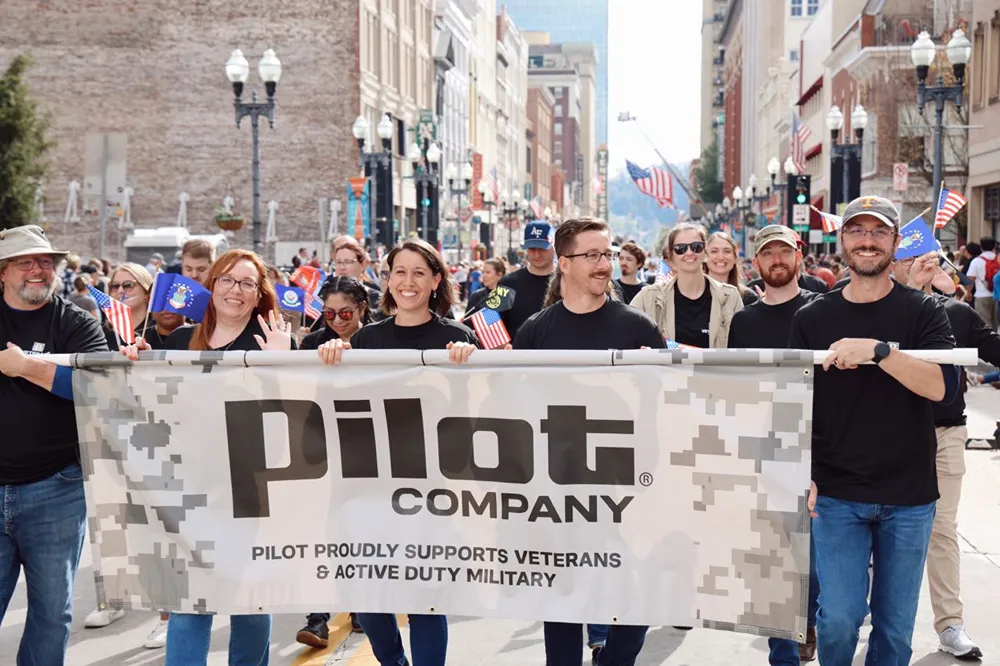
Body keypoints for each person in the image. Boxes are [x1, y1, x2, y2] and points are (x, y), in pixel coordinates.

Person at [789, 196, 960, 666]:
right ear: (841, 239)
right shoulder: (811, 318)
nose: (867, 241)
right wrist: (801, 470)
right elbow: (793, 404)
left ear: (896, 241)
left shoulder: (924, 311)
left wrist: (881, 352)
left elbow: (941, 388)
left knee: (894, 632)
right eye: (857, 231)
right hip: (837, 492)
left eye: (878, 232)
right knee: (839, 620)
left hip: (909, 494)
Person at [122, 249, 293, 665]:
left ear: (258, 296)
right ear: (212, 286)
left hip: (250, 492)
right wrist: (134, 362)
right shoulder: (180, 340)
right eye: (227, 280)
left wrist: (282, 364)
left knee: (250, 602)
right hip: (190, 491)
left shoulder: (269, 341)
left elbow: (290, 418)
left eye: (247, 283)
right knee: (189, 603)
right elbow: (150, 406)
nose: (235, 290)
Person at [509, 218, 664, 666]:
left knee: (635, 603)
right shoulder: (535, 332)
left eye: (608, 255)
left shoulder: (637, 329)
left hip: (625, 488)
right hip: (556, 491)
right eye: (592, 255)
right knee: (562, 603)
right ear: (564, 263)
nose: (603, 264)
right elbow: (515, 409)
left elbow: (662, 407)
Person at [317, 239, 479, 666]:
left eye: (419, 273)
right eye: (399, 272)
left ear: (436, 281)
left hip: (430, 484)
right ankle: (393, 662)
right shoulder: (366, 339)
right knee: (369, 589)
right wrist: (333, 356)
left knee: (426, 594)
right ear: (387, 280)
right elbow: (333, 400)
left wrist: (469, 364)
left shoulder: (455, 336)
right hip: (369, 482)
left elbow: (474, 410)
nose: (408, 282)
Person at [0, 225, 109, 665]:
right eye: (26, 261)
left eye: (46, 261)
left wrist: (27, 367)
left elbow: (99, 389)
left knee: (51, 613)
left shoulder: (76, 321)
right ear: (3, 272)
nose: (38, 269)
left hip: (56, 490)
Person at [893, 251, 995, 661]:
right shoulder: (875, 309)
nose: (924, 267)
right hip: (888, 434)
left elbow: (992, 345)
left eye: (933, 261)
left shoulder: (957, 312)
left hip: (946, 433)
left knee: (942, 528)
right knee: (879, 525)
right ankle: (868, 611)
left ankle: (950, 623)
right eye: (912, 260)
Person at [726, 225, 821, 664]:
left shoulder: (821, 309)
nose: (777, 259)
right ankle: (783, 652)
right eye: (769, 254)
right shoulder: (744, 321)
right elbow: (735, 390)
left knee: (816, 567)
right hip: (766, 451)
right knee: (775, 563)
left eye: (785, 251)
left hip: (821, 449)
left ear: (798, 256)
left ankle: (810, 620)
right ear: (757, 263)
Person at [631, 223, 743, 348]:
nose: (689, 253)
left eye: (696, 247)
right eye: (680, 248)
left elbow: (743, 346)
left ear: (705, 253)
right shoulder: (648, 297)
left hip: (716, 368)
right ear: (671, 257)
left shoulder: (730, 297)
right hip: (667, 368)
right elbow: (626, 337)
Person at [497, 221, 556, 338]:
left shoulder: (569, 281)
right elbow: (488, 317)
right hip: (517, 354)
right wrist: (500, 345)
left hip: (560, 354)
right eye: (532, 249)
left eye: (542, 248)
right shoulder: (508, 283)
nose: (537, 254)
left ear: (554, 246)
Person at [300, 276, 371, 351]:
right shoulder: (312, 342)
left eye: (345, 313)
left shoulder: (378, 339)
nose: (337, 320)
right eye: (329, 314)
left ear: (362, 307)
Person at [97, 263, 153, 350]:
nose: (120, 291)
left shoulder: (160, 331)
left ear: (147, 292)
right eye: (115, 286)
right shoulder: (99, 333)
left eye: (128, 285)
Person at [703, 231, 758, 306]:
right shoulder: (692, 295)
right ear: (705, 257)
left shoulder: (749, 298)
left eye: (727, 251)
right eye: (714, 251)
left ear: (735, 258)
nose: (721, 257)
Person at [965, 236, 998, 330]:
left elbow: (971, 278)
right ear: (993, 247)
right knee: (995, 323)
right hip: (997, 295)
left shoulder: (977, 261)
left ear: (981, 247)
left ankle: (989, 343)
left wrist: (968, 292)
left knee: (984, 323)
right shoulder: (998, 259)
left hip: (981, 295)